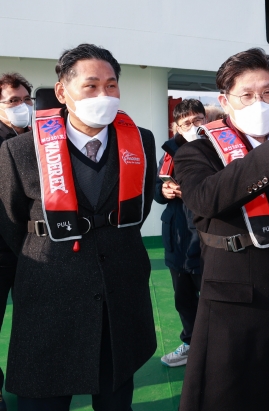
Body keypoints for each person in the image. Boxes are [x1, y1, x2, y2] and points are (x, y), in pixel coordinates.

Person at [0, 44, 157, 410]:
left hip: (119, 297)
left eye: (111, 85)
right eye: (91, 86)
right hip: (48, 301)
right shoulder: (20, 151)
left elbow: (137, 211)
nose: (103, 95)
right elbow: (10, 226)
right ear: (62, 92)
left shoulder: (141, 141)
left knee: (116, 399)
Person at [174, 47, 269, 411]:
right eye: (246, 94)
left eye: (268, 93)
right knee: (230, 396)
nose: (258, 102)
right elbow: (205, 198)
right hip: (236, 304)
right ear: (224, 100)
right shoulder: (197, 151)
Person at [154, 98, 205, 367]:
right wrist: (164, 191)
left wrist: (193, 194)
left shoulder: (217, 150)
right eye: (186, 123)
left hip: (206, 240)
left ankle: (214, 348)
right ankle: (190, 343)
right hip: (176, 239)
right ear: (176, 126)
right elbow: (155, 190)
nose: (193, 127)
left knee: (211, 299)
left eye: (198, 120)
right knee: (182, 298)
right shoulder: (168, 153)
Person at [0, 72, 34, 411]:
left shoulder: (36, 138)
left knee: (33, 320)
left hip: (28, 250)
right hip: (5, 250)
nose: (22, 106)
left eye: (26, 99)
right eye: (13, 101)